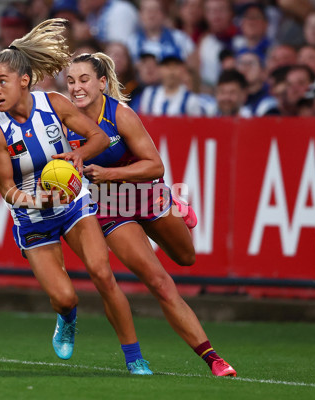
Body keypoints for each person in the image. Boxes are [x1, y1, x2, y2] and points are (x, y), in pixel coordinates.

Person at [0, 18, 153, 375]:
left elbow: (100, 138)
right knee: (65, 297)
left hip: (74, 205)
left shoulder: (54, 104)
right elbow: (7, 191)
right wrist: (37, 201)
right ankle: (67, 318)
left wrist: (78, 156)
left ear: (24, 80)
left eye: (2, 81)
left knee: (102, 275)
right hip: (33, 217)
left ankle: (134, 357)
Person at [65, 51, 237, 377]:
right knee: (160, 283)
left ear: (102, 83)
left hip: (148, 193)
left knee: (186, 258)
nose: (76, 87)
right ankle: (214, 360)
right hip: (110, 206)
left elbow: (156, 165)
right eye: (71, 81)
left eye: (84, 79)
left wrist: (110, 174)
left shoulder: (121, 115)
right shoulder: (64, 118)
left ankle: (178, 208)